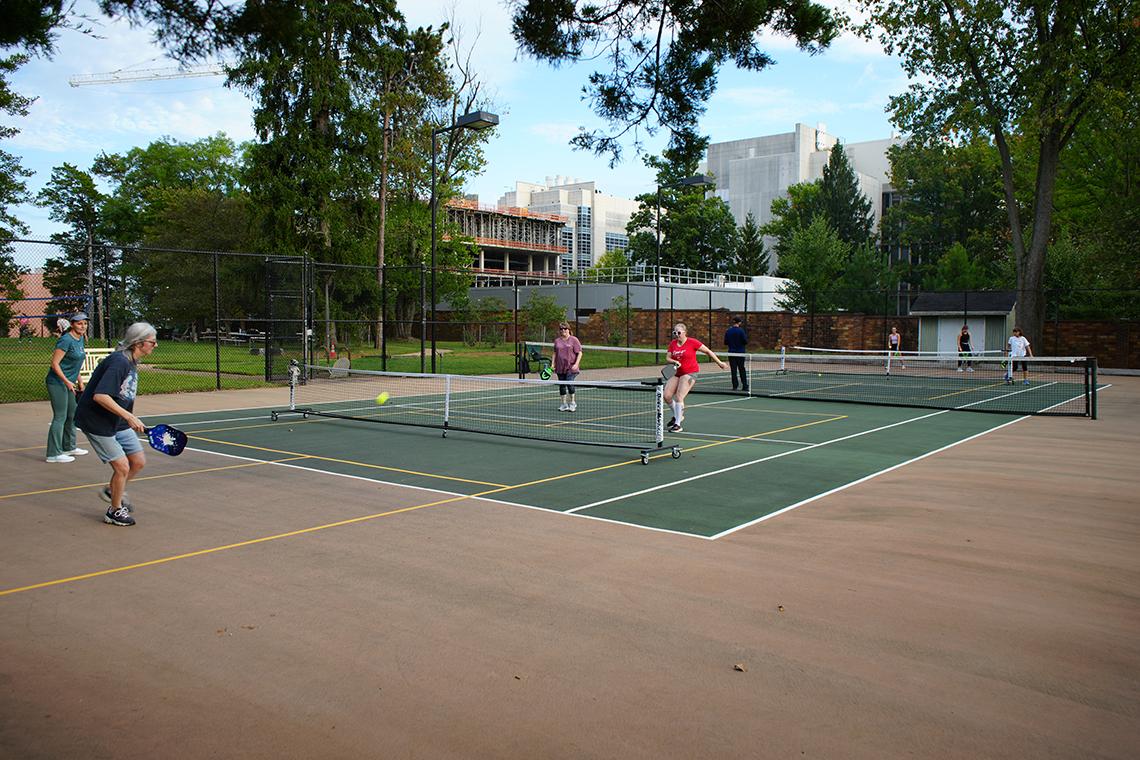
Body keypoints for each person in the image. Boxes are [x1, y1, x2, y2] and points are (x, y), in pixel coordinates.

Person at [76, 322, 158, 527]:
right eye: (152, 342)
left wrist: (126, 417)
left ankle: (112, 490)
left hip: (116, 420)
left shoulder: (131, 361)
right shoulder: (119, 362)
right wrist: (129, 417)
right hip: (97, 421)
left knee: (138, 461)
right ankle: (114, 511)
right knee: (122, 466)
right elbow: (101, 396)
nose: (155, 345)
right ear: (138, 343)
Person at [664, 323, 728, 433]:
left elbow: (708, 351)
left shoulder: (692, 342)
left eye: (679, 332)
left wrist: (719, 363)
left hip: (690, 372)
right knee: (666, 396)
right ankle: (678, 415)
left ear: (685, 333)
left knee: (679, 397)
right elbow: (668, 358)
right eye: (675, 332)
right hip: (677, 372)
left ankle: (677, 424)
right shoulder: (673, 344)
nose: (676, 334)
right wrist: (674, 361)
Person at [45, 312, 90, 463]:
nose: (83, 326)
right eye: (79, 323)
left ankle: (69, 447)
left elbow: (76, 364)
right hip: (57, 382)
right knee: (60, 417)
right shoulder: (66, 340)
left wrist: (80, 381)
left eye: (85, 323)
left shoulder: (80, 338)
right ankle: (53, 454)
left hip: (69, 382)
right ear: (72, 324)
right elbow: (55, 364)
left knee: (72, 415)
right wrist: (66, 381)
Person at [553, 322, 582, 411]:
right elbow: (555, 353)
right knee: (562, 385)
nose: (563, 330)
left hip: (571, 367)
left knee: (569, 383)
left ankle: (572, 403)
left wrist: (576, 364)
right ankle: (564, 404)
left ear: (569, 330)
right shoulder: (557, 341)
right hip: (560, 366)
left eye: (565, 329)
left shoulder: (574, 340)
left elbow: (579, 353)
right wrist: (553, 364)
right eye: (561, 329)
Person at [723, 316, 749, 392]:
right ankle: (745, 386)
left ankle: (735, 386)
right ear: (739, 322)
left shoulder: (728, 331)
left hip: (731, 353)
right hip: (740, 353)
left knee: (733, 370)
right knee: (742, 369)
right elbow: (745, 341)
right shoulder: (741, 331)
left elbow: (725, 342)